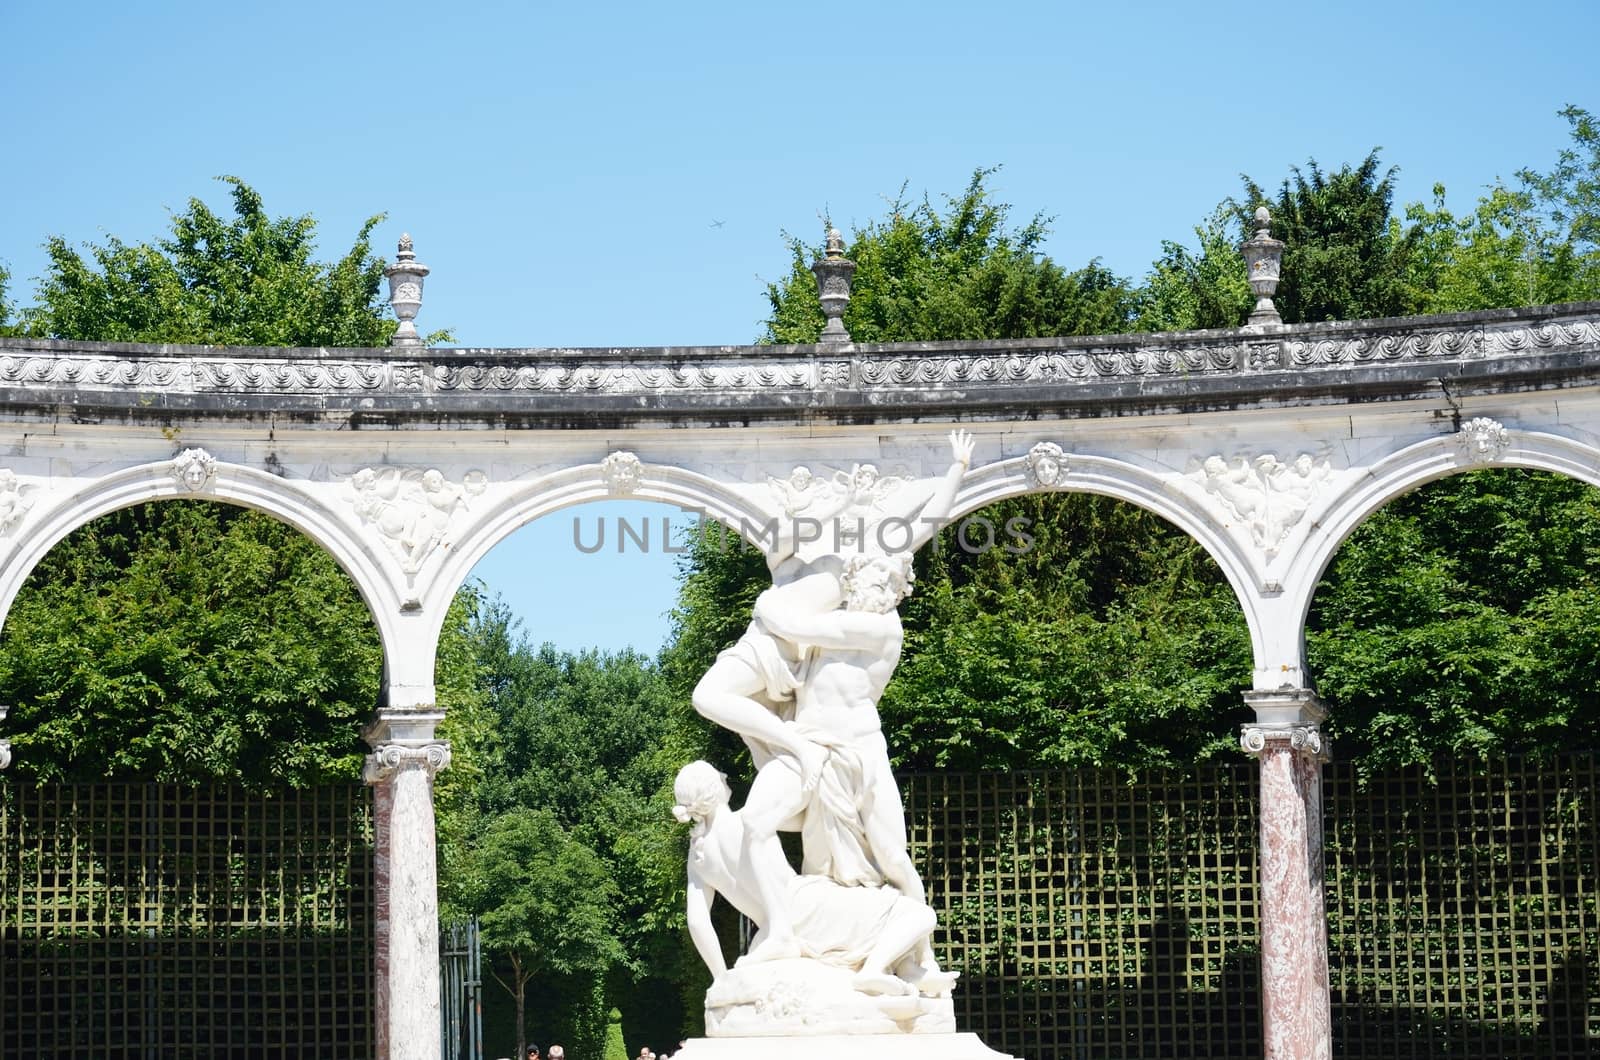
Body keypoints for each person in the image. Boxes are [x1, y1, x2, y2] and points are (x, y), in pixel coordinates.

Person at [690, 429, 974, 961]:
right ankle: (782, 930)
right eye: (873, 574)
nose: (878, 583)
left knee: (892, 857)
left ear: (897, 590)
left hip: (859, 753)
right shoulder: (838, 603)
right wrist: (953, 472)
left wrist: (957, 471)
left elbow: (780, 615)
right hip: (808, 742)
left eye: (889, 580)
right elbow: (918, 526)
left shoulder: (878, 629)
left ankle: (921, 960)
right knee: (758, 823)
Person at [674, 759, 943, 997]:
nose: (724, 777)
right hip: (808, 907)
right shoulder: (751, 819)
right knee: (919, 914)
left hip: (769, 931)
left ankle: (890, 969)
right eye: (718, 776)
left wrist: (721, 979)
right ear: (713, 789)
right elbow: (811, 818)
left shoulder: (698, 856)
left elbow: (697, 921)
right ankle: (873, 970)